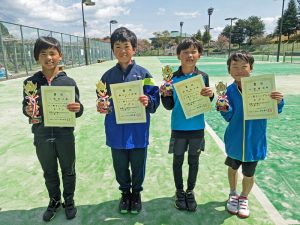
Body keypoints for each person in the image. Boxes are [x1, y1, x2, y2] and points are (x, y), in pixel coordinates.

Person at [96, 27, 160, 214]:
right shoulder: (106, 77)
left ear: (134, 48)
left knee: (138, 165)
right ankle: (125, 194)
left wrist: (149, 101)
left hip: (138, 132)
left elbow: (154, 100)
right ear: (113, 50)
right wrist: (102, 106)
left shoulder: (144, 74)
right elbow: (102, 101)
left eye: (126, 46)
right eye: (118, 46)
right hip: (116, 132)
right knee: (120, 166)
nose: (122, 50)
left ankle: (136, 194)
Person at [22, 36, 84, 222]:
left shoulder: (68, 82)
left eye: (52, 53)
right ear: (36, 57)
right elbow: (25, 109)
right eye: (43, 54)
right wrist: (27, 110)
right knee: (49, 171)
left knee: (68, 170)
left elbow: (79, 109)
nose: (48, 58)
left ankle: (69, 201)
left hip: (64, 135)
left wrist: (78, 108)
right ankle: (54, 200)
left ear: (60, 56)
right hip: (41, 135)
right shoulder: (30, 83)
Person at [216, 51, 284, 218]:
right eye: (235, 66)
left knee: (249, 173)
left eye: (243, 66)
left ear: (251, 68)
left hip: (255, 140)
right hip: (235, 139)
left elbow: (275, 110)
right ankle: (233, 193)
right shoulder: (228, 91)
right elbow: (229, 116)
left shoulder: (263, 87)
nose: (239, 70)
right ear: (229, 69)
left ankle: (244, 197)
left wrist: (278, 101)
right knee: (232, 168)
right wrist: (224, 109)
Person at [160, 38, 214, 212]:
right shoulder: (172, 78)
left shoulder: (203, 76)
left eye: (193, 52)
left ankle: (190, 191)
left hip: (197, 128)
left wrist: (210, 94)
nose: (189, 55)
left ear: (199, 55)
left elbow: (207, 100)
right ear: (178, 56)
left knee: (193, 161)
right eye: (185, 52)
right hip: (178, 128)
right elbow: (169, 106)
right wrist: (165, 94)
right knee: (178, 161)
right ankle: (179, 191)